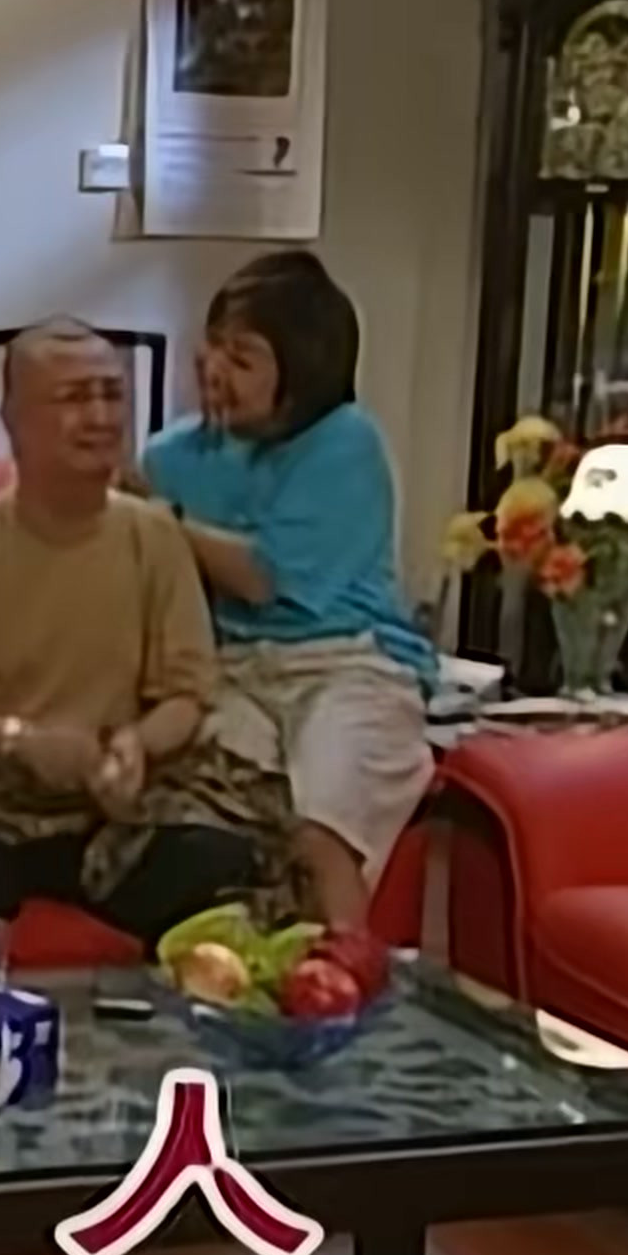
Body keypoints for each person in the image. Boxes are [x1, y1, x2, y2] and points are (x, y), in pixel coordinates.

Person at [0, 320, 312, 964]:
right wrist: (17, 741)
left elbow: (187, 694)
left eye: (112, 394)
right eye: (75, 398)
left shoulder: (155, 539)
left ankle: (188, 1029)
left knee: (221, 863)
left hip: (119, 809)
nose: (102, 417)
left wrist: (139, 745)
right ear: (16, 420)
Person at [137, 253, 438, 934]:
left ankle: (342, 974)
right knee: (207, 820)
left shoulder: (345, 442)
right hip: (231, 670)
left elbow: (265, 577)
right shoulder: (169, 458)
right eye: (213, 345)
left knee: (321, 827)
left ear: (299, 379)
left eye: (242, 358)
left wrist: (162, 520)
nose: (214, 368)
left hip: (345, 663)